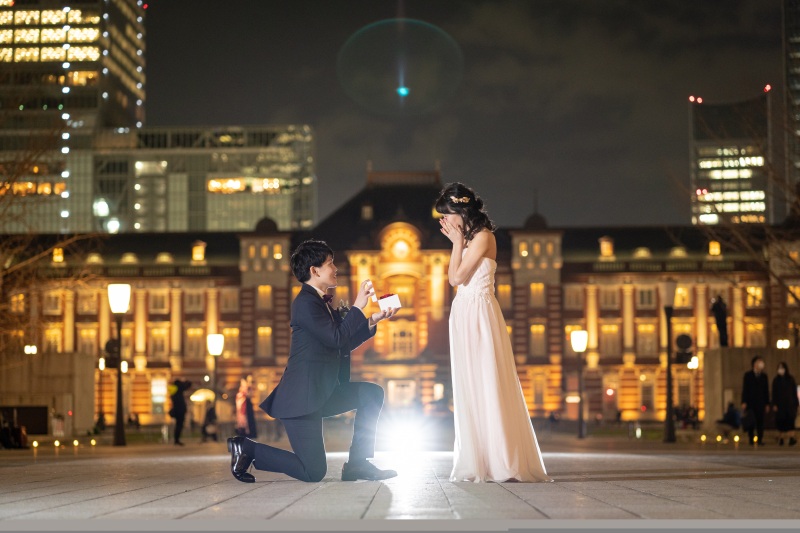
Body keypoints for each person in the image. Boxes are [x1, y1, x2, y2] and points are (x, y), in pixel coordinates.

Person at [227, 239, 399, 483]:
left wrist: (372, 320)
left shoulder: (319, 302)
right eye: (330, 263)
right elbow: (337, 338)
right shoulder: (305, 303)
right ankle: (247, 449)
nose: (335, 268)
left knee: (371, 394)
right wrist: (358, 308)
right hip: (302, 399)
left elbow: (341, 345)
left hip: (323, 391)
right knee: (313, 472)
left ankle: (358, 464)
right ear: (314, 271)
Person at [435, 182, 552, 483]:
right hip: (463, 312)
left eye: (447, 215)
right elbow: (455, 280)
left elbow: (456, 277)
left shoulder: (484, 237)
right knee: (469, 386)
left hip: (480, 314)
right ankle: (478, 459)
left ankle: (502, 460)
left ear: (462, 212)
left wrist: (456, 242)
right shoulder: (468, 238)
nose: (444, 222)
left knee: (487, 381)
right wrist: (457, 242)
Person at [741, 355, 769, 446]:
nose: (761, 364)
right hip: (751, 402)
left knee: (760, 421)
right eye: (759, 362)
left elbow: (766, 391)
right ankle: (751, 438)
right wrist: (744, 401)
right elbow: (745, 389)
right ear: (754, 364)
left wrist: (767, 403)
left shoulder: (764, 376)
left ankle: (760, 439)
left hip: (761, 402)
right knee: (751, 421)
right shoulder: (748, 375)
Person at [771, 362, 799, 446]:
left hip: (790, 405)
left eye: (782, 368)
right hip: (780, 405)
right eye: (779, 368)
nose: (781, 370)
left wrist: (797, 404)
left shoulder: (790, 379)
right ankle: (781, 438)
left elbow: (794, 392)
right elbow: (774, 393)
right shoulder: (776, 380)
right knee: (781, 421)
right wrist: (774, 404)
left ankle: (791, 438)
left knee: (790, 421)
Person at [168, 378, 192, 446]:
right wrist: (185, 382)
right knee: (179, 425)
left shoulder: (173, 390)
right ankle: (176, 440)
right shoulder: (179, 389)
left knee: (178, 425)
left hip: (176, 409)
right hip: (180, 410)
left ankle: (176, 439)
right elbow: (187, 385)